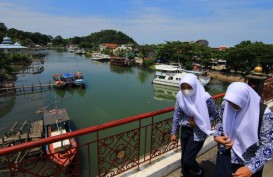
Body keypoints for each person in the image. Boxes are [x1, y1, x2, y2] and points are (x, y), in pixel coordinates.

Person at [213, 82, 273, 177]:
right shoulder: (227, 104)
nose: (232, 105)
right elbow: (221, 121)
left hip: (249, 162)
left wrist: (251, 168)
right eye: (230, 102)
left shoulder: (264, 114)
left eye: (236, 103)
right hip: (225, 155)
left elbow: (268, 146)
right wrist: (217, 136)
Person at [171, 73, 219, 177]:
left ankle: (199, 172)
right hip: (185, 130)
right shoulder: (180, 96)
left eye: (189, 87)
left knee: (188, 159)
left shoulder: (205, 98)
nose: (186, 90)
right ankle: (186, 173)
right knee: (184, 156)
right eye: (183, 87)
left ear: (195, 85)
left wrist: (198, 123)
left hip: (199, 132)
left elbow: (214, 114)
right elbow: (177, 115)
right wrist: (174, 132)